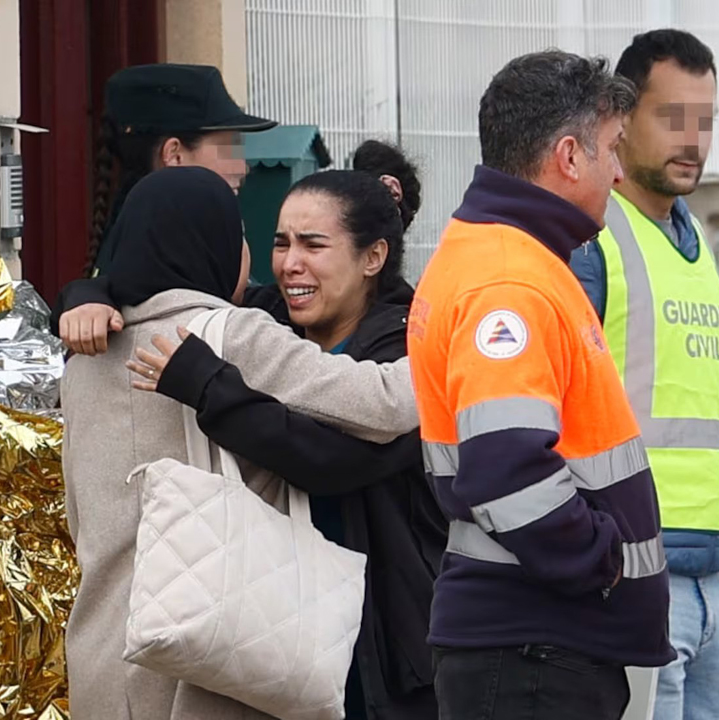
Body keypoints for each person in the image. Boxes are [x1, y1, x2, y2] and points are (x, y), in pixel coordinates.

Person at [60, 165, 418, 720]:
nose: (260, 259)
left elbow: (78, 515)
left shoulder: (83, 361)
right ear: (214, 243)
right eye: (253, 239)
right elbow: (391, 403)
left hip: (103, 662)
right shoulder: (235, 335)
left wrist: (84, 291)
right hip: (209, 665)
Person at [406, 50, 673, 720]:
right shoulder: (511, 279)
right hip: (534, 648)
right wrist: (599, 561)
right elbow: (506, 469)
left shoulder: (510, 258)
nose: (618, 171)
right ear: (568, 156)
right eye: (611, 149)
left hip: (531, 644)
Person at [570, 30, 719, 720]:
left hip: (710, 574)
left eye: (705, 120)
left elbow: (697, 405)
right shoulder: (594, 241)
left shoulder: (696, 245)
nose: (693, 138)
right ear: (621, 116)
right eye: (672, 117)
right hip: (634, 570)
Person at [84, 62, 276, 279]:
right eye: (228, 149)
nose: (243, 168)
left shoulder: (130, 254)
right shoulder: (158, 270)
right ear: (174, 155)